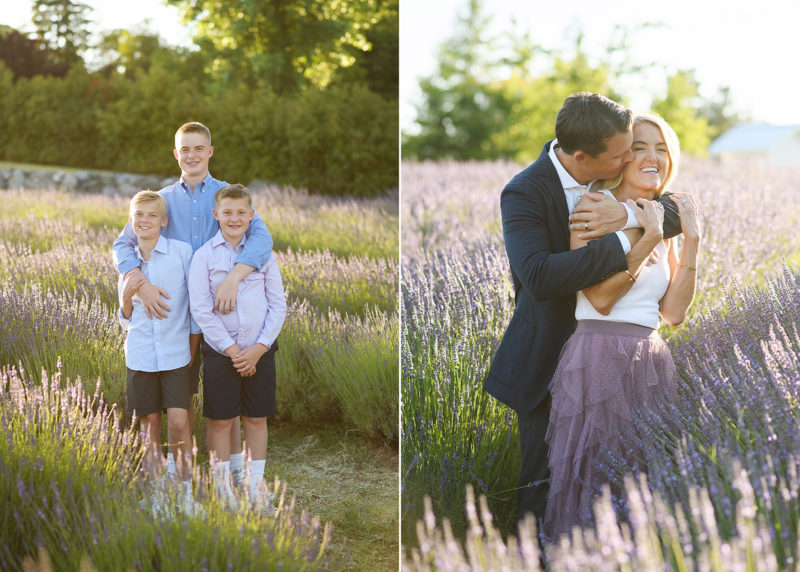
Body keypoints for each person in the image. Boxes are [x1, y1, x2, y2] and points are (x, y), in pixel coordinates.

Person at [483, 92, 683, 527]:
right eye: (623, 153)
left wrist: (628, 215)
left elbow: (676, 209)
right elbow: (538, 276)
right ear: (582, 157)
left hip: (617, 355)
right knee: (543, 485)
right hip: (547, 354)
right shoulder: (524, 191)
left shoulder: (609, 182)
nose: (632, 157)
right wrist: (624, 240)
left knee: (625, 476)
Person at [543, 113, 700, 538]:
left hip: (649, 359)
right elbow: (598, 299)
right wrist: (644, 239)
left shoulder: (662, 218)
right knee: (596, 479)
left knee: (643, 479)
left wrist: (692, 243)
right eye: (641, 147)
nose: (652, 157)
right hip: (599, 354)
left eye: (662, 148)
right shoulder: (592, 206)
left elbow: (673, 313)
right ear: (623, 156)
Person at [113, 122, 273, 485]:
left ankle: (233, 468)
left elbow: (262, 240)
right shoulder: (164, 198)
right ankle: (175, 469)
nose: (192, 155)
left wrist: (233, 277)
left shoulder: (227, 196)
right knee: (178, 392)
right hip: (176, 313)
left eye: (198, 148)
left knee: (224, 394)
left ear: (210, 151)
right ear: (176, 154)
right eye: (185, 149)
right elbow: (123, 244)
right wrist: (140, 284)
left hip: (222, 309)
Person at [188, 184, 287, 513]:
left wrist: (259, 348)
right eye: (227, 213)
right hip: (221, 353)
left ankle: (255, 488)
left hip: (260, 351)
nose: (234, 218)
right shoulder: (204, 257)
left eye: (241, 213)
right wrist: (232, 351)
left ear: (252, 216)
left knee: (256, 418)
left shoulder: (263, 256)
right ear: (215, 215)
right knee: (221, 420)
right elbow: (202, 311)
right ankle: (223, 491)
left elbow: (278, 307)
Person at [118, 190, 206, 518]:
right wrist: (127, 297)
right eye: (138, 215)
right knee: (148, 424)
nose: (145, 221)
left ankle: (183, 492)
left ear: (163, 222)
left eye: (152, 216)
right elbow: (125, 319)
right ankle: (155, 492)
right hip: (140, 355)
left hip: (176, 355)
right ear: (131, 221)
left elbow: (195, 308)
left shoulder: (181, 253)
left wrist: (191, 353)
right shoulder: (128, 264)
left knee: (181, 423)